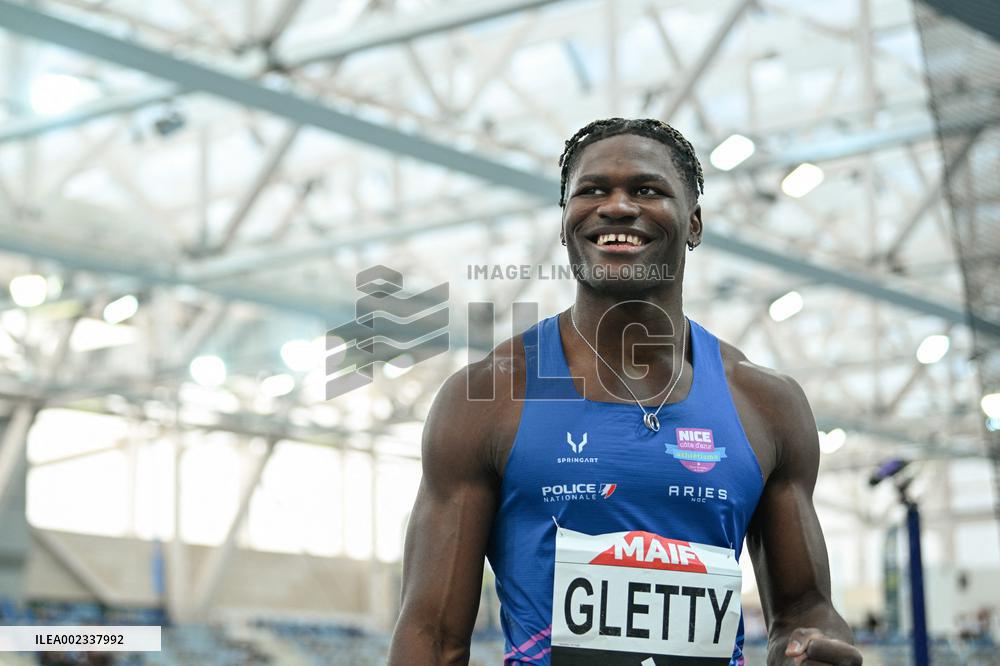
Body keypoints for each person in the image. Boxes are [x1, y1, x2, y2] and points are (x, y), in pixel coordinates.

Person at [388, 118, 862, 665]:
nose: (615, 206)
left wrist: (810, 648)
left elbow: (806, 608)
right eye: (591, 191)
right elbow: (431, 635)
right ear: (565, 222)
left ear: (695, 224)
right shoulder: (489, 396)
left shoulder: (767, 404)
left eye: (646, 190)